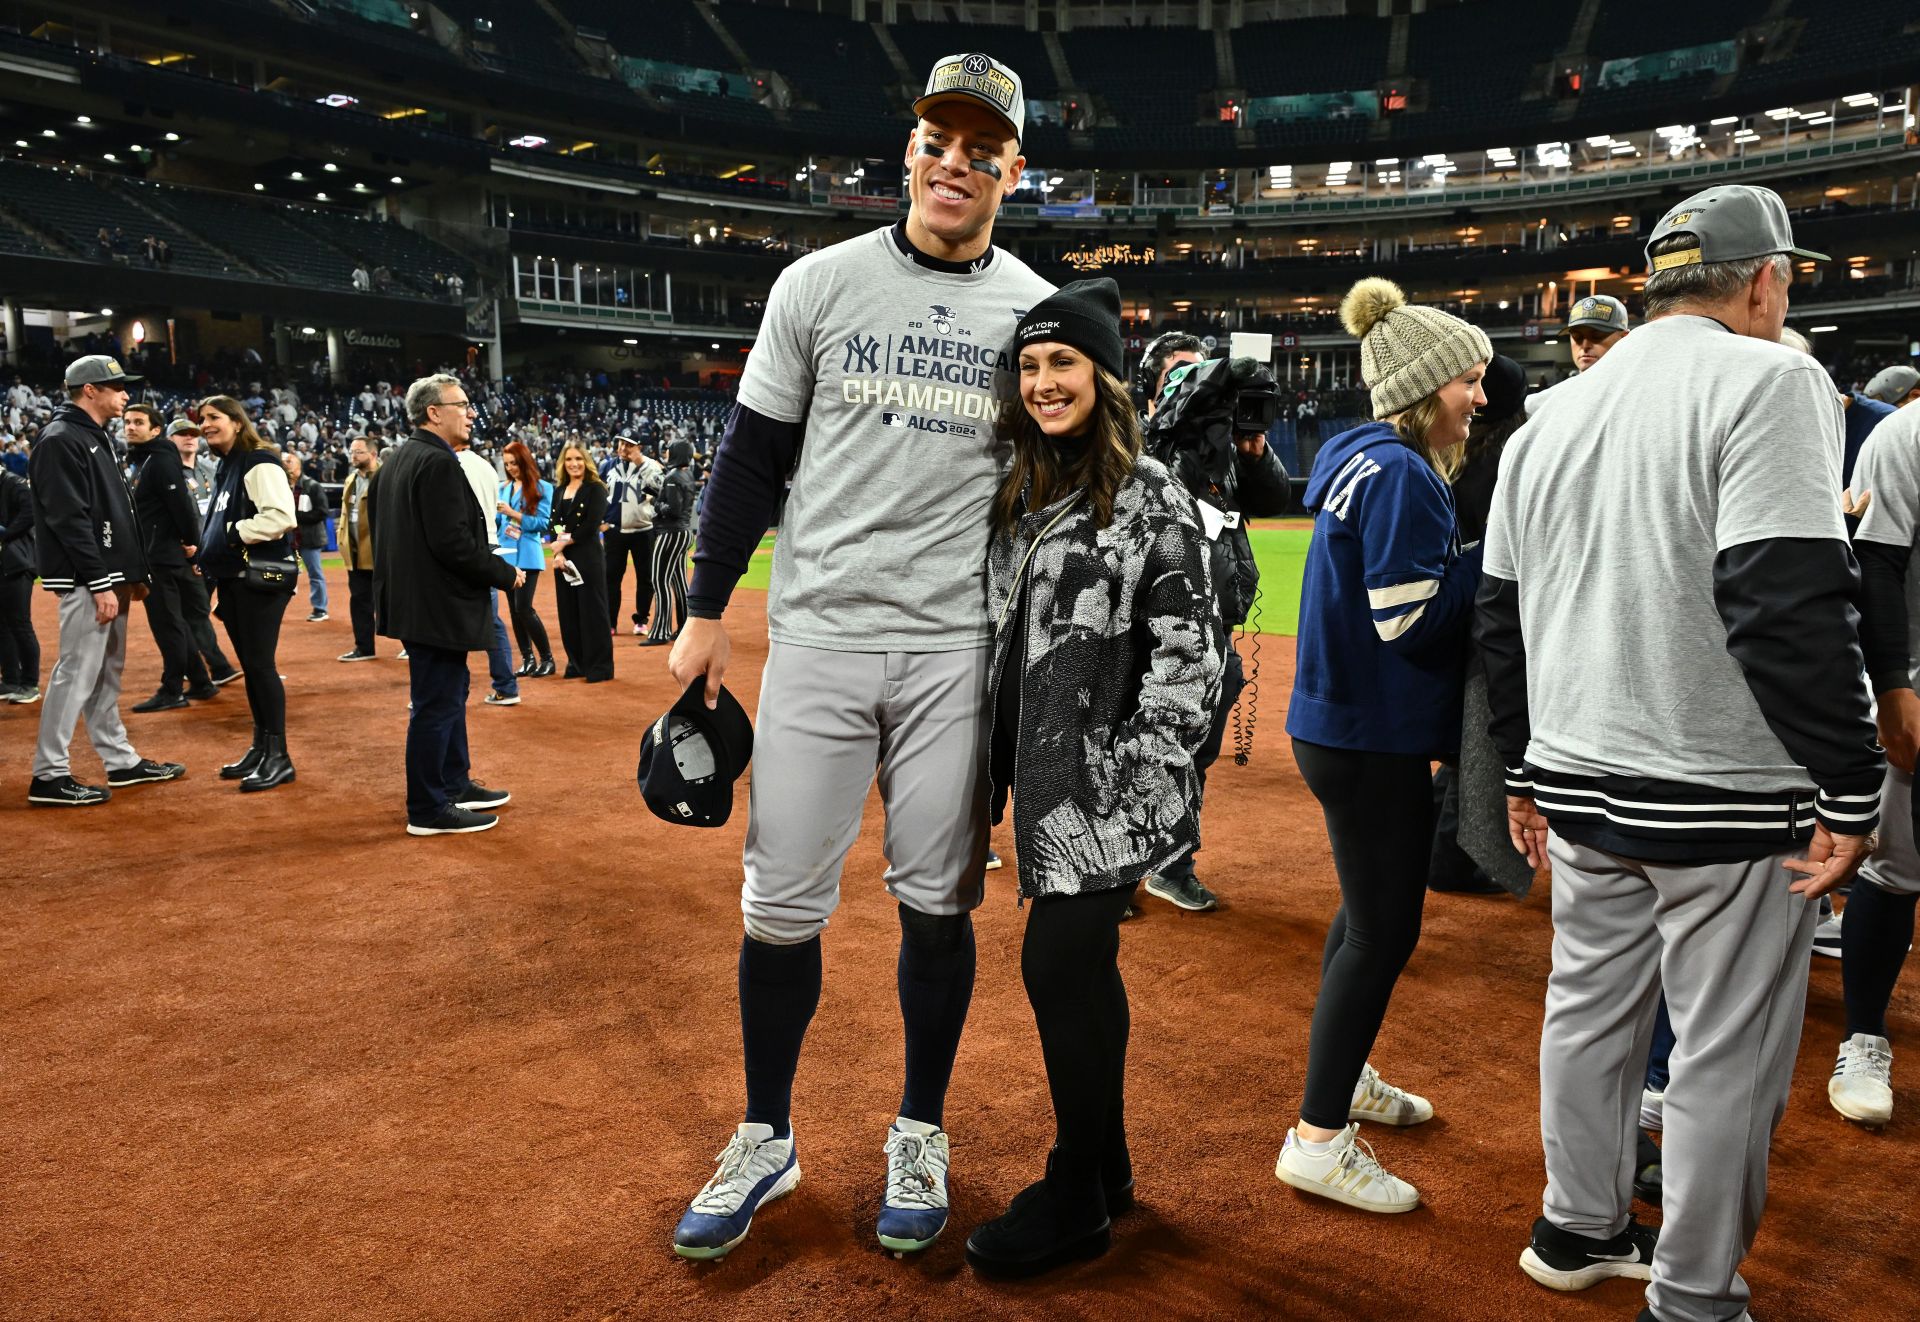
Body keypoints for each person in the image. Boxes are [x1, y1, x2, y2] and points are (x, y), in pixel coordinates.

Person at [666, 50, 1052, 1263]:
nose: (957, 161)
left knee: (938, 904)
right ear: (909, 150)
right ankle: (766, 1133)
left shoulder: (1032, 311)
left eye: (982, 147)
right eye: (940, 139)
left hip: (954, 648)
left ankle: (919, 1129)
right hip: (823, 636)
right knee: (780, 907)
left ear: (1013, 169)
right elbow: (751, 459)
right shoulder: (818, 283)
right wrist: (703, 603)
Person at [1478, 184, 1881, 1321]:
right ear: (1765, 283)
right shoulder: (1776, 376)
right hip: (1724, 782)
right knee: (1724, 1051)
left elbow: (1498, 613)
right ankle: (1696, 1292)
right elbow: (1782, 600)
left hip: (1576, 772)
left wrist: (1518, 766)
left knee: (1588, 1008)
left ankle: (1577, 1224)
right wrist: (1850, 780)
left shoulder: (1550, 411)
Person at [963, 279, 1220, 1276]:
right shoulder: (1021, 491)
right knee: (1081, 966)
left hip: (1110, 785)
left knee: (1057, 963)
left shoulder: (1149, 492)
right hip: (1043, 779)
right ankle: (1107, 1167)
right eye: (1028, 366)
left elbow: (1189, 651)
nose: (1042, 382)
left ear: (1104, 375)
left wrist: (1144, 766)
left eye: (1062, 361)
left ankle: (1075, 1190)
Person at [1278, 277, 1489, 1212]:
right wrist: (1496, 556)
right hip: (1371, 735)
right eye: (1467, 382)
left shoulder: (1362, 457)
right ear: (1423, 387)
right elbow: (1409, 621)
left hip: (1341, 727)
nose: (1479, 398)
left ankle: (1346, 1075)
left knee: (1363, 917)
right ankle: (1319, 1137)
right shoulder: (1404, 472)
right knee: (1382, 928)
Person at [1139, 347, 1291, 914]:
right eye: (1177, 370)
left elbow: (1274, 500)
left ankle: (1171, 862)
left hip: (1215, 630)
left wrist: (1253, 450)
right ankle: (1111, 871)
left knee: (1197, 753)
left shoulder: (1222, 455)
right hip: (1151, 635)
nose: (1193, 379)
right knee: (1137, 748)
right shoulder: (1140, 447)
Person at [29, 355, 185, 806]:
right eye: (115, 386)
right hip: (88, 579)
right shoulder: (61, 439)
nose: (124, 394)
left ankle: (120, 761)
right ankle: (48, 775)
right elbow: (69, 518)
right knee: (75, 674)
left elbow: (114, 515)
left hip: (110, 576)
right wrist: (99, 582)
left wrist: (131, 574)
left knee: (104, 675)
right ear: (89, 391)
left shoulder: (90, 436)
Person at [372, 373, 522, 834]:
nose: (472, 413)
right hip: (436, 606)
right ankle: (428, 808)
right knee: (436, 704)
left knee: (448, 696)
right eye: (462, 405)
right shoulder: (437, 463)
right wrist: (504, 573)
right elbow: (453, 545)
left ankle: (454, 783)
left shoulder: (397, 460)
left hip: (417, 604)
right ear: (434, 412)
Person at [1833, 395, 1920, 1125]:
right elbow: (1879, 566)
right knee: (1896, 868)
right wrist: (1894, 686)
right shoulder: (1906, 432)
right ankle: (1863, 1035)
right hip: (1918, 679)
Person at [194, 395, 299, 793]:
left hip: (259, 578)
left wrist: (231, 534)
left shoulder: (258, 460)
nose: (205, 424)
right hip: (235, 578)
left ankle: (279, 756)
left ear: (237, 422)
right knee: (254, 667)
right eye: (202, 419)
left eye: (214, 417)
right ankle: (261, 746)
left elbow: (280, 517)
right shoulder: (228, 466)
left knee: (260, 666)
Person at [125, 403, 218, 712]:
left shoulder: (160, 460)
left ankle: (172, 689)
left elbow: (183, 507)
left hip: (162, 557)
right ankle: (202, 682)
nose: (130, 427)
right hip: (161, 554)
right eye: (127, 421)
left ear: (155, 430)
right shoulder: (150, 460)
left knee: (168, 626)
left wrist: (194, 547)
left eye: (138, 422)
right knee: (175, 623)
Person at [449, 430, 520, 707]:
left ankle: (451, 689)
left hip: (466, 546)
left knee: (449, 619)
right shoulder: (487, 467)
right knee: (491, 620)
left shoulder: (447, 463)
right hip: (490, 544)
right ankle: (506, 685)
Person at [168, 420, 241, 688]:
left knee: (196, 612)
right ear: (170, 439)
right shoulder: (168, 473)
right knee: (194, 612)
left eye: (193, 434)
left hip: (212, 554)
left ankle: (194, 665)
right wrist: (186, 547)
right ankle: (213, 665)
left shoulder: (210, 471)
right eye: (182, 434)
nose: (189, 438)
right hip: (186, 556)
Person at [547, 440, 613, 682]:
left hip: (587, 558)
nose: (574, 464)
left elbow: (591, 524)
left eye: (578, 459)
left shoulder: (596, 488)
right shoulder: (558, 490)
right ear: (563, 464)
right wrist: (559, 553)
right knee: (568, 612)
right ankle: (577, 663)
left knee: (592, 611)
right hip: (563, 559)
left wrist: (563, 543)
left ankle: (599, 667)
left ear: (586, 462)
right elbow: (554, 523)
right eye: (569, 460)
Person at [497, 440, 556, 678]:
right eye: (507, 464)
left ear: (524, 460)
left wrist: (513, 514)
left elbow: (543, 524)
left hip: (528, 555)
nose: (511, 468)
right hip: (506, 555)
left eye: (514, 462)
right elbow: (499, 523)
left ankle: (548, 659)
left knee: (524, 607)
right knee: (513, 610)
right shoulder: (503, 488)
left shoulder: (543, 488)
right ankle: (528, 659)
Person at [1525, 294, 1629, 416]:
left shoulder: (1637, 392)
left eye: (1597, 335)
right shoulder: (1539, 404)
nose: (1585, 345)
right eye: (1577, 337)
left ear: (1624, 338)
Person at [603, 436, 662, 636]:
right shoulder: (608, 466)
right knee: (610, 578)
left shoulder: (651, 466)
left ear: (639, 447)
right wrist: (601, 522)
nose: (623, 448)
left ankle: (641, 620)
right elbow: (598, 494)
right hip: (614, 531)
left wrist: (641, 463)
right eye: (621, 443)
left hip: (643, 530)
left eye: (629, 444)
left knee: (645, 577)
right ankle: (610, 622)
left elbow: (658, 490)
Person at [642, 439, 696, 646]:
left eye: (668, 451)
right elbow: (678, 503)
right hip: (684, 533)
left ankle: (660, 632)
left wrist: (654, 501)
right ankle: (684, 628)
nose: (666, 454)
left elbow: (672, 510)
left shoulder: (673, 476)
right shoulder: (687, 474)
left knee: (659, 581)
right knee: (679, 583)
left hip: (670, 534)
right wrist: (658, 493)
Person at [337, 436, 381, 661]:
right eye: (352, 452)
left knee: (394, 602)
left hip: (382, 553)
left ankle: (412, 645)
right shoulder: (351, 479)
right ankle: (364, 647)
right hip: (356, 552)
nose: (353, 456)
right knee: (360, 601)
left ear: (373, 454)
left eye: (358, 452)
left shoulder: (385, 476)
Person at [0, 460, 39, 703]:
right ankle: (12, 679)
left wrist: (6, 533)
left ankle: (30, 683)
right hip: (5, 564)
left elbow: (32, 510)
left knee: (20, 623)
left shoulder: (13, 483)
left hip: (17, 564)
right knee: (2, 625)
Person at [283, 451, 330, 622]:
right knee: (285, 574)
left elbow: (322, 512)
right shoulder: (281, 486)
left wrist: (295, 517)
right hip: (289, 540)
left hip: (309, 539)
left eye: (289, 461)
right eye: (284, 461)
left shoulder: (312, 486)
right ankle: (277, 608)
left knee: (315, 574)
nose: (285, 463)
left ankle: (320, 609)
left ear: (299, 464)